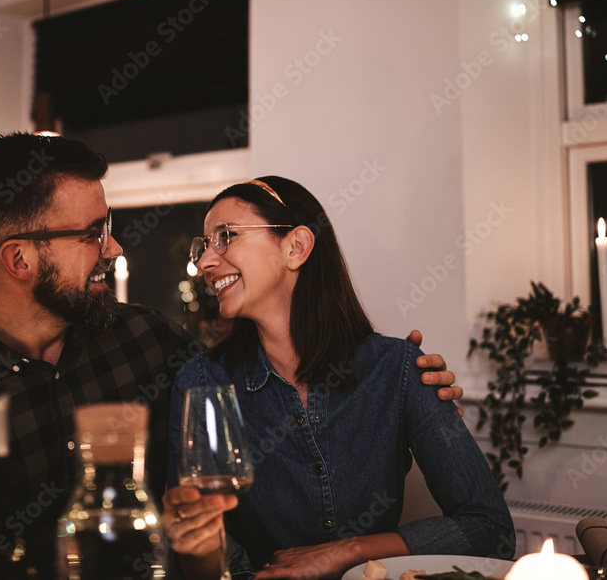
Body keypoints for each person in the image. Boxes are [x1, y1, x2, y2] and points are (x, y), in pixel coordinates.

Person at [0, 133, 462, 578]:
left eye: (107, 224)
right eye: (92, 233)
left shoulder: (151, 342)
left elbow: (265, 383)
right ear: (20, 259)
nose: (113, 246)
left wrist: (404, 376)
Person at [162, 176, 515, 580]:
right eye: (204, 245)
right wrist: (196, 545)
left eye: (225, 236)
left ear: (296, 247)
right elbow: (201, 560)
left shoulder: (398, 368)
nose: (205, 262)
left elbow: (490, 529)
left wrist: (344, 553)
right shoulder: (203, 383)